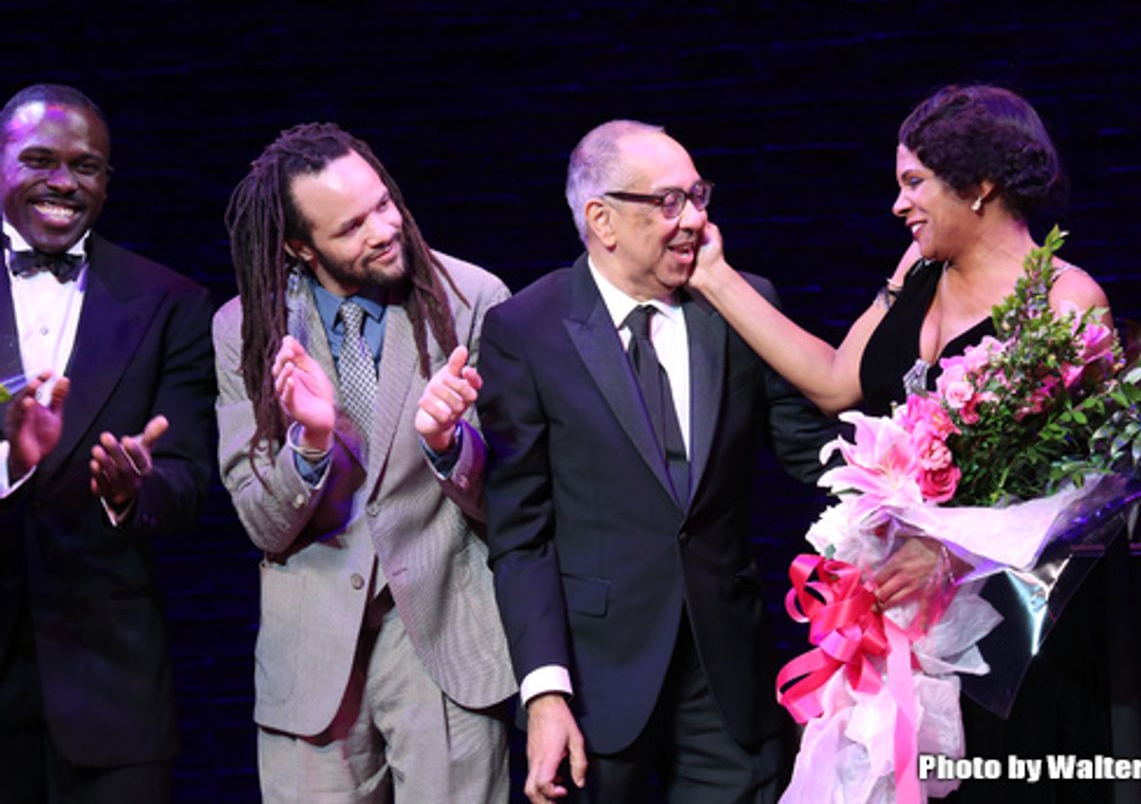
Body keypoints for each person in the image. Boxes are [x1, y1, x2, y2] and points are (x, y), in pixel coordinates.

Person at [688, 84, 1119, 802]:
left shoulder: (1065, 302)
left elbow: (1082, 490)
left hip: (1009, 637)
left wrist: (951, 550)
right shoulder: (916, 270)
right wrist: (715, 276)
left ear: (979, 185)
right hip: (898, 617)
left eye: (914, 183)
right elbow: (833, 380)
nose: (899, 204)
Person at [478, 120, 834, 803]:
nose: (696, 220)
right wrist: (545, 693)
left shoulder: (739, 304)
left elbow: (810, 454)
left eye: (698, 196)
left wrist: (919, 463)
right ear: (602, 220)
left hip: (727, 675)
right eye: (669, 202)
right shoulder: (527, 329)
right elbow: (519, 533)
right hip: (596, 680)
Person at [216, 123, 516, 802]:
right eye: (351, 226)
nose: (383, 229)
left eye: (384, 204)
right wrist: (312, 445)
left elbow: (518, 500)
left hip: (444, 645)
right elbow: (263, 523)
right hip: (313, 661)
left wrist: (449, 444)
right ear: (299, 246)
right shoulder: (248, 328)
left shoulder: (473, 299)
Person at [0, 83, 216, 802]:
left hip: (110, 687)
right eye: (38, 159)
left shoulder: (169, 301)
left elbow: (187, 479)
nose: (63, 181)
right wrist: (11, 460)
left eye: (86, 166)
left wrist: (132, 489)